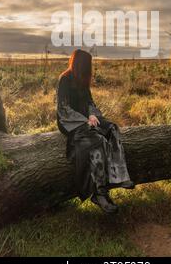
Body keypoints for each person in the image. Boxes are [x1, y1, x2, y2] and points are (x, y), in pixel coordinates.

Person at [56, 49, 134, 213]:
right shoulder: (65, 79)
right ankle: (99, 193)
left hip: (88, 118)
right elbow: (63, 108)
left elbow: (90, 102)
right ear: (80, 64)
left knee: (112, 128)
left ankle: (118, 175)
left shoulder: (83, 79)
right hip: (71, 121)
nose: (90, 69)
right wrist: (85, 120)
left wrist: (92, 114)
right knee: (97, 141)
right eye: (88, 65)